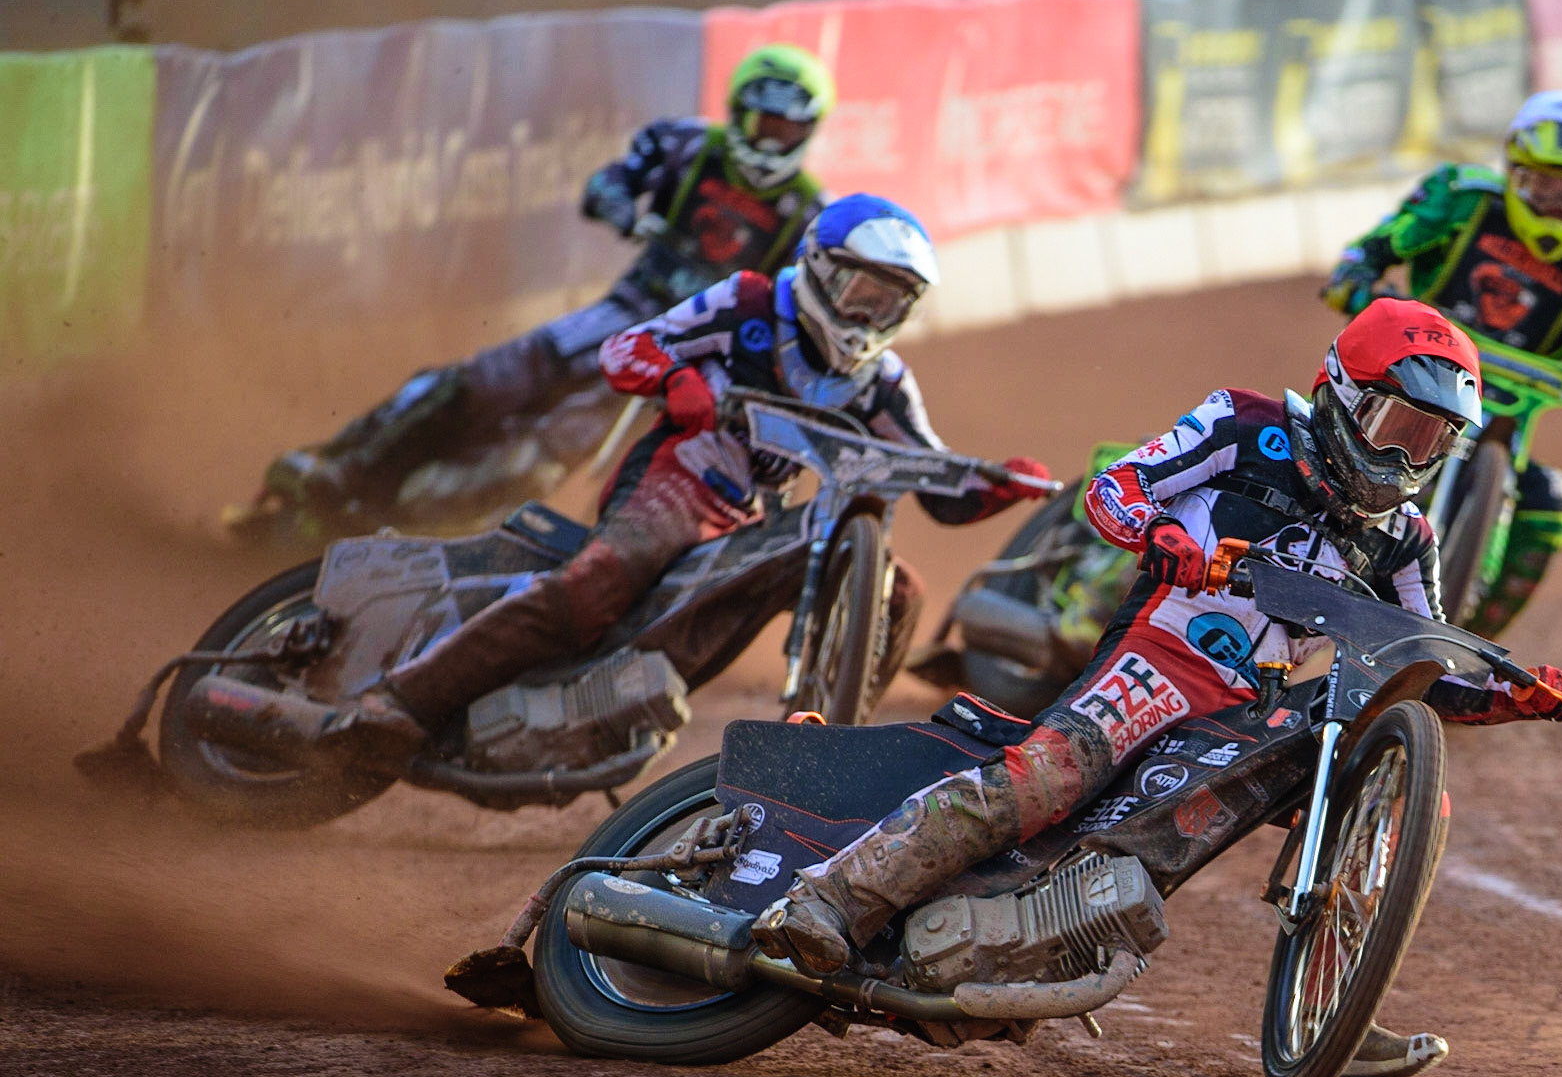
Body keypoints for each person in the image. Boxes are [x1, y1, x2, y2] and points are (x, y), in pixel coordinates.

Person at [753, 298, 1562, 1077]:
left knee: (1377, 797)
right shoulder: (1244, 425)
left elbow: (1420, 665)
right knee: (1049, 779)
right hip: (1157, 655)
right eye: (1394, 427)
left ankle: (1339, 997)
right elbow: (1112, 489)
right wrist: (1163, 536)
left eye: (1432, 442)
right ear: (1340, 393)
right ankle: (829, 898)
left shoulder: (1406, 538)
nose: (1406, 458)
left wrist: (1509, 700)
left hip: (1248, 707)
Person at [321, 193, 1050, 761]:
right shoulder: (747, 305)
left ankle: (824, 751)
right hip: (680, 476)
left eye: (890, 302)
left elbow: (935, 483)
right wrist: (675, 380)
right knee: (608, 575)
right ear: (823, 269)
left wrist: (998, 484)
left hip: (756, 519)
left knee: (901, 589)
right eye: (863, 291)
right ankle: (405, 701)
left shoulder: (882, 381)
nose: (870, 315)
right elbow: (624, 350)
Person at [234, 44, 839, 540]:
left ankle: (404, 526)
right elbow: (605, 186)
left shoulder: (808, 212)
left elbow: (801, 309)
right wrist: (626, 211)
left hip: (692, 361)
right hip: (623, 314)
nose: (771, 141)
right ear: (738, 113)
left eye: (788, 129)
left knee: (540, 461)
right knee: (491, 381)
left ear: (808, 132)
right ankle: (347, 472)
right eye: (765, 123)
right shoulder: (685, 144)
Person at [1322, 90, 1562, 636]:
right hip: (1404, 379)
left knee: (1552, 506)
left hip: (1505, 416)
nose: (1554, 206)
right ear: (1514, 172)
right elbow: (1383, 243)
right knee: (1309, 444)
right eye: (1544, 185)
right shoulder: (1462, 198)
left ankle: (1467, 653)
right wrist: (1357, 271)